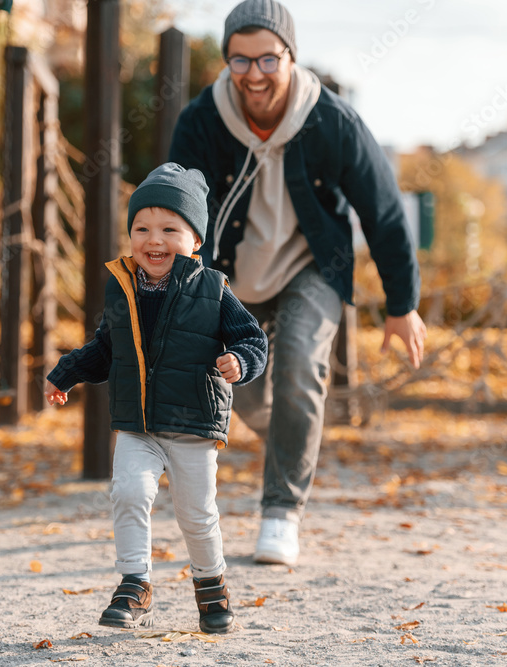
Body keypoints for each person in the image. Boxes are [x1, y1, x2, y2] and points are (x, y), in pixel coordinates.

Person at [169, 0, 427, 567]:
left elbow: (382, 213)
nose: (254, 74)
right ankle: (292, 432)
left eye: (267, 59)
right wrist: (181, 290)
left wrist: (401, 304)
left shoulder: (332, 120)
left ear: (290, 56)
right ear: (226, 62)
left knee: (298, 369)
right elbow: (181, 214)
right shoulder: (200, 121)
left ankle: (281, 513)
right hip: (231, 278)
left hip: (312, 267)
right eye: (240, 61)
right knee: (243, 390)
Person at [44, 163, 268, 634]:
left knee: (196, 513)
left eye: (170, 228)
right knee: (128, 491)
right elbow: (105, 348)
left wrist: (240, 362)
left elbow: (253, 340)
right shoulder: (122, 288)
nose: (154, 240)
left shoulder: (214, 290)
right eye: (142, 228)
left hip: (193, 424)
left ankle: (211, 586)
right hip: (138, 423)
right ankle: (135, 582)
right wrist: (66, 374)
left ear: (195, 241)